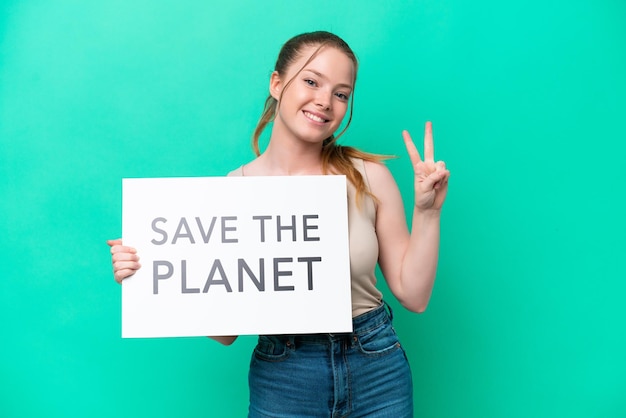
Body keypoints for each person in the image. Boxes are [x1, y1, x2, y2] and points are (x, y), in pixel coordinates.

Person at [108, 30, 449, 417]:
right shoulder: (233, 191)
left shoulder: (367, 177)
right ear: (277, 83)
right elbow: (225, 332)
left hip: (375, 365)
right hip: (285, 375)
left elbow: (413, 295)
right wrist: (151, 271)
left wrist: (428, 213)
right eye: (311, 81)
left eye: (341, 93)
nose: (325, 101)